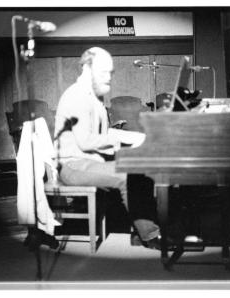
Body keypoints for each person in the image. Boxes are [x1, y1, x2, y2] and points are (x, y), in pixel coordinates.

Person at [54, 47, 174, 250]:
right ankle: (151, 235)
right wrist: (124, 142)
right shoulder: (77, 96)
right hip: (72, 165)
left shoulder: (93, 96)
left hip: (90, 160)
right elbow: (85, 141)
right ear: (87, 68)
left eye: (110, 72)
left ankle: (140, 232)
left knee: (141, 167)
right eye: (104, 72)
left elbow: (105, 132)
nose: (109, 78)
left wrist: (137, 137)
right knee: (129, 174)